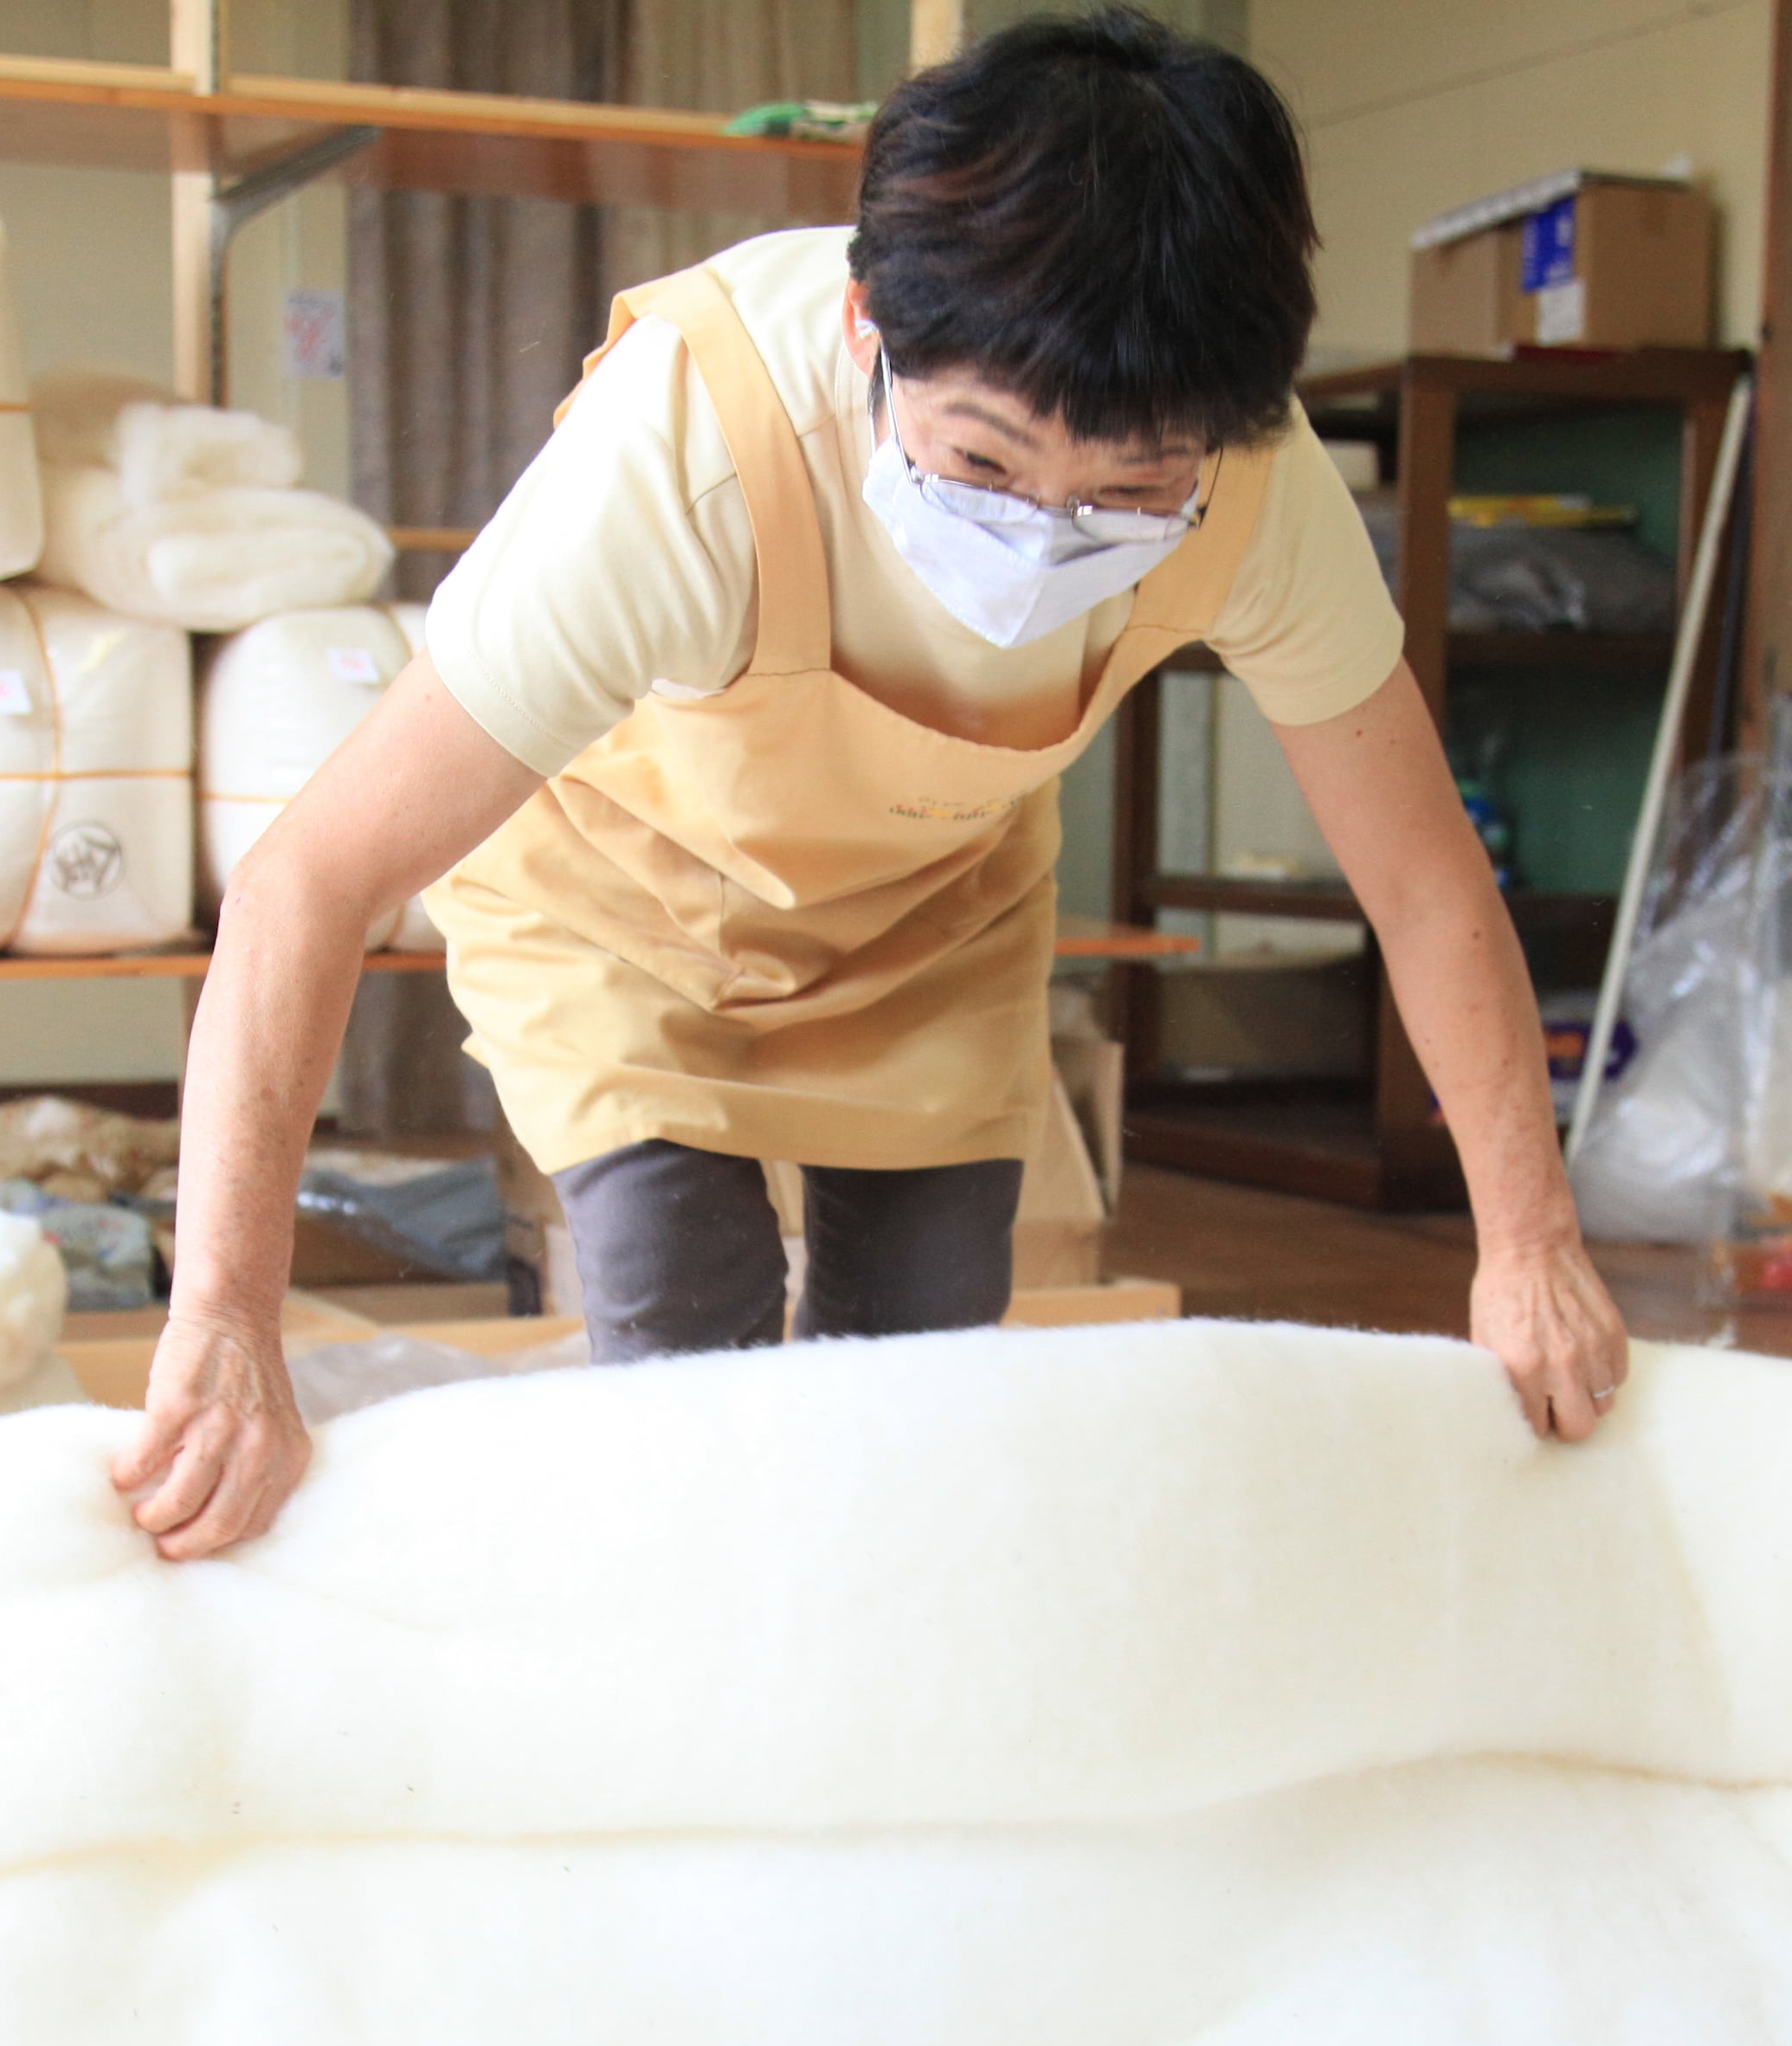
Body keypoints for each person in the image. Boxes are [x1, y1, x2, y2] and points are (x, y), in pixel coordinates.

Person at [119, 7, 1628, 1559]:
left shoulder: (1255, 488)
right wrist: (225, 1317)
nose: (1045, 535)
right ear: (866, 329)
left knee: (920, 1381)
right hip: (627, 911)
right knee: (684, 1322)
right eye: (983, 464)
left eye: (1126, 494)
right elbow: (311, 879)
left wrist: (1530, 1244)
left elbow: (1424, 883)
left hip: (933, 914)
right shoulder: (689, 449)